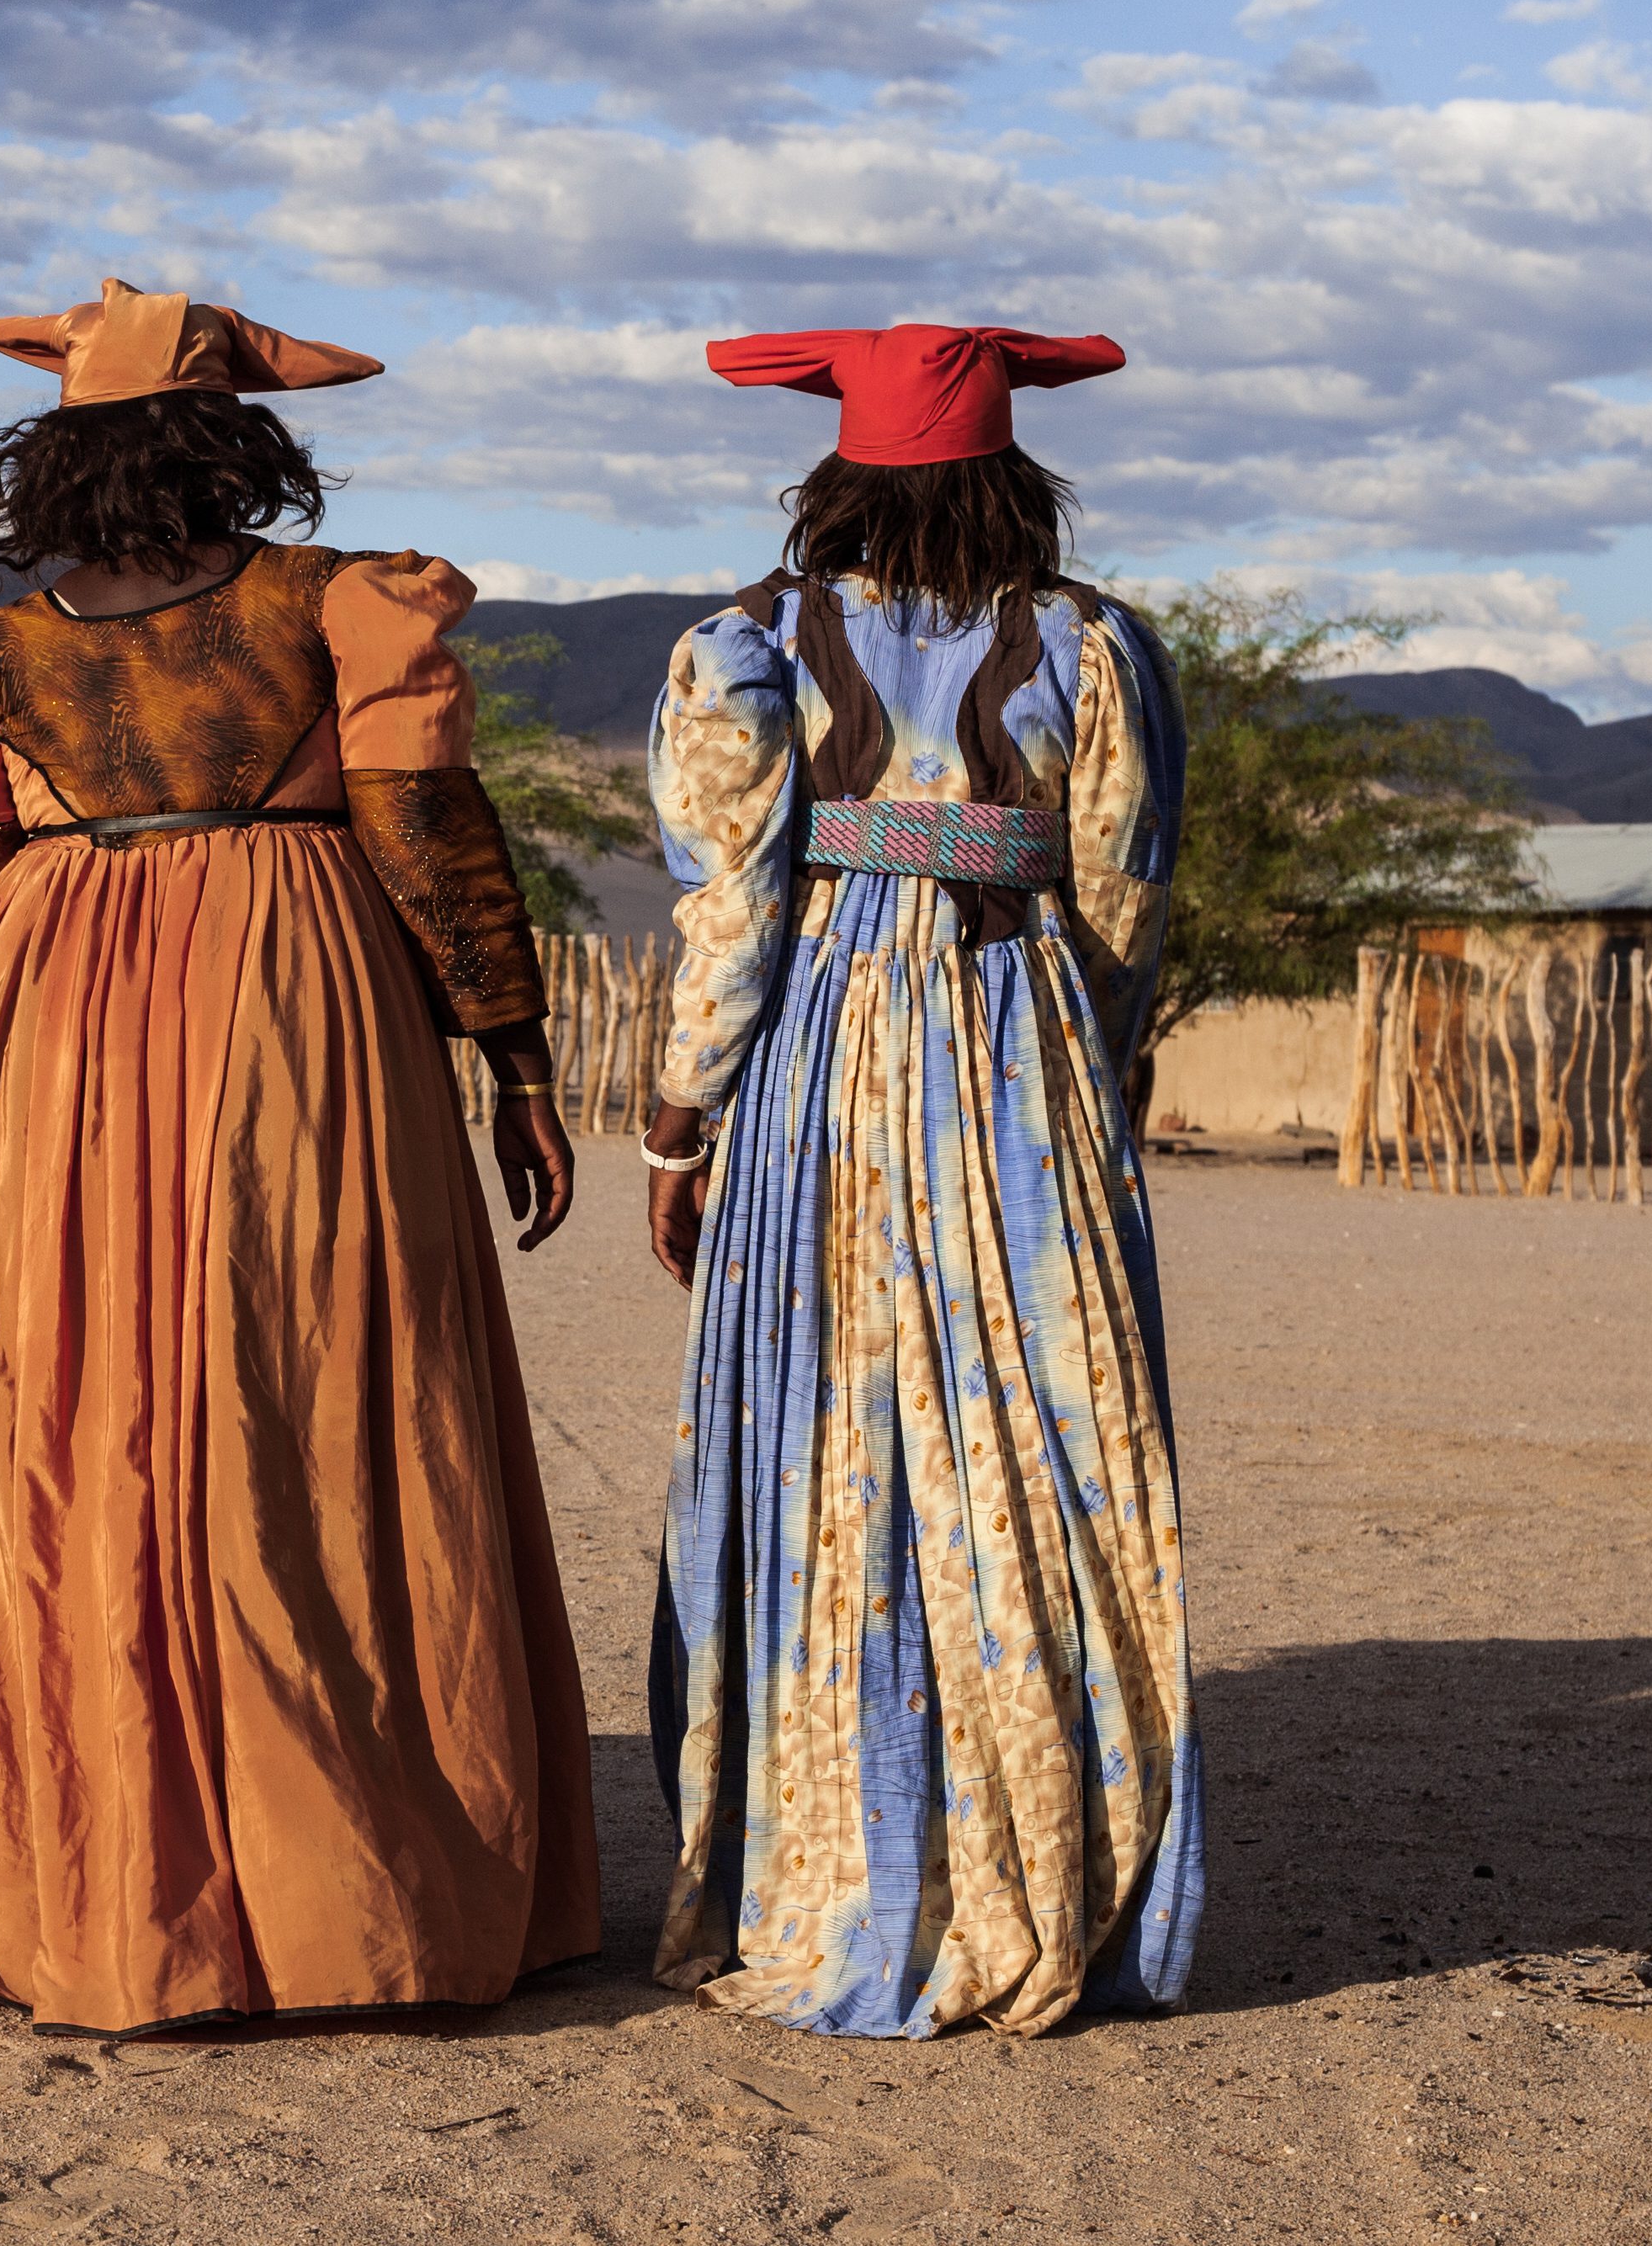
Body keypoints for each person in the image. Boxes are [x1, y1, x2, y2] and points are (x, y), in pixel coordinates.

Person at [0, 279, 601, 2035]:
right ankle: (345, 1878)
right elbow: (421, 826)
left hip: (30, 1025)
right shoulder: (344, 608)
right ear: (238, 440)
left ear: (54, 460)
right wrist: (514, 1049)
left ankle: (72, 1871)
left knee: (67, 1409)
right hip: (289, 996)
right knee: (308, 1403)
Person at [639, 321, 1198, 2038]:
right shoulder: (1096, 646)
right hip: (1018, 1043)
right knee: (1031, 1455)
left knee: (833, 1447)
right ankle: (1045, 1873)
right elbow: (1121, 899)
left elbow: (732, 910)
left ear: (836, 474)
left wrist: (680, 1120)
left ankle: (832, 1878)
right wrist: (1076, 1079)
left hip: (820, 1065)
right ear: (1014, 474)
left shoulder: (745, 646)